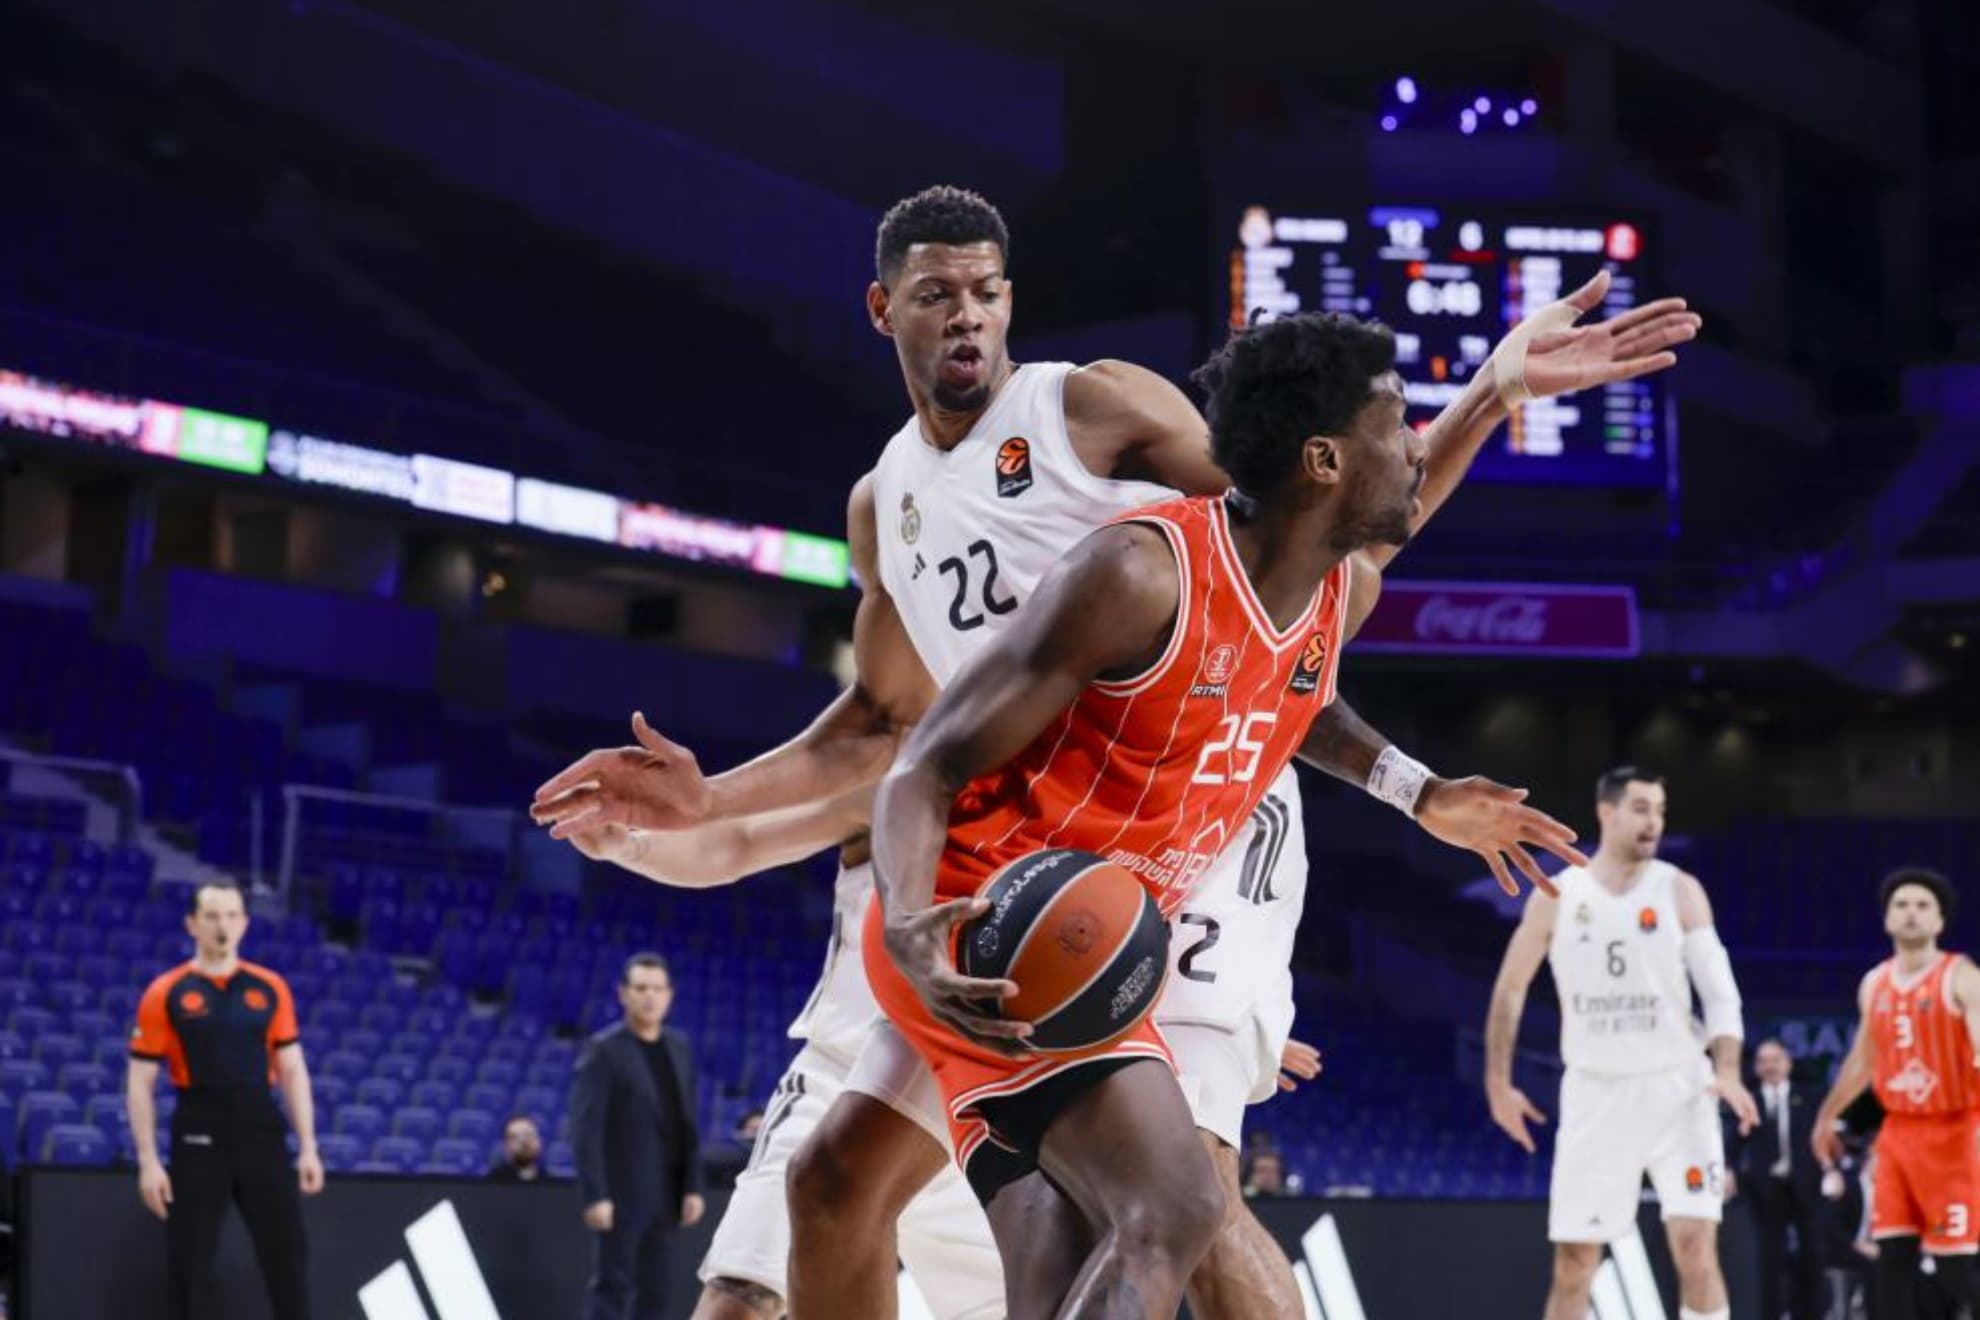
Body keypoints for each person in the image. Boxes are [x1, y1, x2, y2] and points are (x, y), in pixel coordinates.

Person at [533, 184, 1699, 1320]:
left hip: (1185, 814)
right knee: (928, 1198)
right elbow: (893, 731)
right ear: (884, 310)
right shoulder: (888, 500)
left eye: (988, 290)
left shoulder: (1090, 414)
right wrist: (714, 801)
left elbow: (1293, 544)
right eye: (938, 293)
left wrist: (1490, 396)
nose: (969, 315)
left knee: (1177, 1192)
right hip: (1021, 847)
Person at [859, 310, 1598, 1318]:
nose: (1416, 449)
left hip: (1088, 941)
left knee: (1060, 1271)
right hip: (998, 917)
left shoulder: (1334, 597)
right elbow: (923, 768)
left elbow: (1298, 697)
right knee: (1174, 1207)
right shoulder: (1138, 573)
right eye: (1398, 426)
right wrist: (907, 922)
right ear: (1327, 458)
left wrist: (1418, 794)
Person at [1484, 767, 1760, 1320]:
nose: (1653, 821)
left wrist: (1727, 1069)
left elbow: (1721, 995)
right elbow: (1510, 991)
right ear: (1605, 812)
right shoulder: (1559, 893)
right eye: (1640, 808)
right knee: (1575, 1261)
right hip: (1596, 1092)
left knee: (1696, 1251)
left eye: (1659, 810)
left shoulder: (1679, 889)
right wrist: (1499, 1085)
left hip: (1680, 1091)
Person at [126, 879, 323, 1320]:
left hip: (260, 1125)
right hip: (199, 1123)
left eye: (232, 916)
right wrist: (148, 1159)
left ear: (245, 924)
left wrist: (308, 1146)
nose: (223, 926)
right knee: (190, 1258)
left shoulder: (269, 987)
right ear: (192, 924)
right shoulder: (166, 991)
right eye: (213, 916)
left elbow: (292, 1069)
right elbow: (140, 1080)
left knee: (287, 1250)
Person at [1811, 868, 1980, 1318]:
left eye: (1922, 906)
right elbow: (1862, 1061)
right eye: (1901, 905)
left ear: (1940, 922)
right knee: (1892, 1263)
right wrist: (1827, 1116)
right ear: (1886, 919)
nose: (1911, 913)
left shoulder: (1960, 976)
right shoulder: (1875, 983)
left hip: (1955, 1133)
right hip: (1899, 1135)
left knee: (1959, 1268)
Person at [571, 953, 708, 1320]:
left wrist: (692, 1185)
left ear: (670, 995)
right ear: (623, 994)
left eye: (658, 989)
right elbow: (586, 1130)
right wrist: (596, 1195)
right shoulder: (604, 1051)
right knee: (611, 1289)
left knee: (657, 1293)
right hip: (620, 1195)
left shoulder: (679, 1048)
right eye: (641, 988)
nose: (650, 996)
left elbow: (687, 1123)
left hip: (667, 1196)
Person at [1730, 1038, 1825, 1319]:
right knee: (1769, 1260)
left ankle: (1811, 1313)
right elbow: (1733, 1144)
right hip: (1766, 1190)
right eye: (1764, 1061)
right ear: (1757, 1067)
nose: (1770, 1066)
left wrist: (1831, 1170)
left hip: (1805, 1185)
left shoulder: (1810, 1097)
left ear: (1788, 1063)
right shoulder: (1748, 1100)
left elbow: (1825, 1139)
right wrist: (1729, 1169)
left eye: (1775, 1059)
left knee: (1812, 1255)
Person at [487, 1114, 545, 1183]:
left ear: (539, 1142)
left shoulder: (553, 1183)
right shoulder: (491, 1183)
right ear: (506, 1146)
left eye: (529, 1135)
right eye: (515, 1137)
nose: (524, 1142)